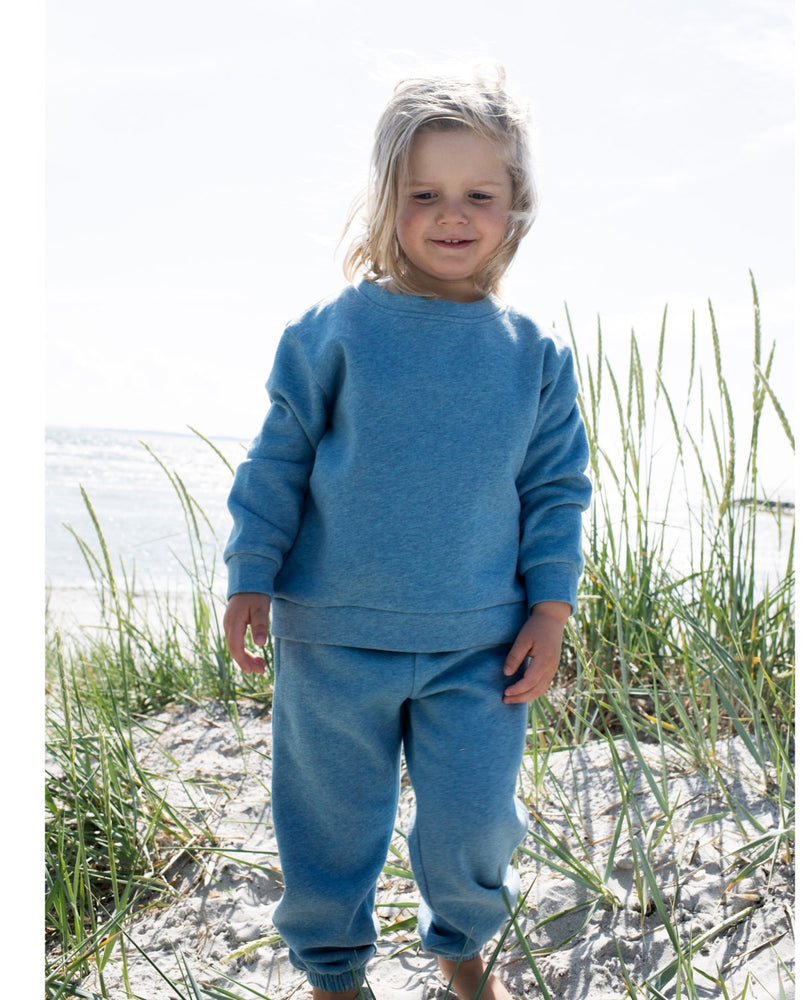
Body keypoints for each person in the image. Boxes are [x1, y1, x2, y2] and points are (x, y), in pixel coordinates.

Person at [223, 67, 592, 1000]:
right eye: (424, 193)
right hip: (334, 636)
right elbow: (277, 464)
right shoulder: (332, 333)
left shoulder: (535, 356)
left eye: (479, 194)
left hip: (481, 643)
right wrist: (249, 576)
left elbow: (555, 491)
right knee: (329, 824)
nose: (452, 215)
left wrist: (550, 610)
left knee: (475, 823)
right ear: (388, 199)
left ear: (517, 204)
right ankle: (334, 974)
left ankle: (462, 949)